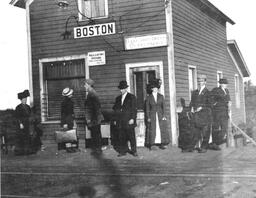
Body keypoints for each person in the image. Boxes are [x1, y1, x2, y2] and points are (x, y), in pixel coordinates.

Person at [113, 80, 138, 157]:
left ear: (126, 89)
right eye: (120, 89)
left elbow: (134, 109)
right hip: (120, 121)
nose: (121, 90)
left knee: (131, 136)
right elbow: (115, 110)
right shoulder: (118, 98)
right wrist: (115, 119)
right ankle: (123, 151)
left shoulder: (131, 97)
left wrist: (133, 119)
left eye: (123, 89)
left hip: (128, 120)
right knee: (121, 136)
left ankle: (134, 151)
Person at [189, 74, 212, 153]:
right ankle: (193, 146)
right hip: (196, 115)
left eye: (201, 81)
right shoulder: (195, 92)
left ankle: (204, 147)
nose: (200, 83)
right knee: (196, 132)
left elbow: (210, 104)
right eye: (199, 81)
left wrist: (201, 107)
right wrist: (191, 107)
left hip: (204, 115)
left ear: (205, 82)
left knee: (205, 132)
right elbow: (192, 102)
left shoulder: (208, 93)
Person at [145, 80, 170, 150]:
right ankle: (152, 144)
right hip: (152, 115)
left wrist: (164, 115)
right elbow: (147, 108)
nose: (155, 89)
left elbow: (164, 107)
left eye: (156, 88)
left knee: (161, 128)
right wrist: (148, 117)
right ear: (151, 89)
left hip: (160, 115)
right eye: (154, 88)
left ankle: (162, 143)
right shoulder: (149, 98)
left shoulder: (161, 96)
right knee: (153, 129)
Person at [84, 79, 104, 155]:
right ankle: (97, 149)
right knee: (96, 134)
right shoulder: (91, 93)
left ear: (89, 85)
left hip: (94, 118)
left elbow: (93, 108)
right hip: (95, 117)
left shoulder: (92, 94)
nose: (84, 86)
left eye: (85, 85)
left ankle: (98, 150)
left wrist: (89, 119)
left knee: (95, 134)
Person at [210, 78, 231, 150]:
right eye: (225, 84)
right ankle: (214, 144)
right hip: (217, 113)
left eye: (226, 84)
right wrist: (214, 105)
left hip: (225, 112)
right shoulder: (216, 90)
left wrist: (229, 104)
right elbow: (210, 99)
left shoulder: (227, 91)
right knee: (215, 128)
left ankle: (215, 143)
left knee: (224, 129)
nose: (226, 85)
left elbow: (228, 100)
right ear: (221, 84)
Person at [14, 89, 32, 155]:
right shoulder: (18, 107)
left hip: (27, 123)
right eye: (24, 99)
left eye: (26, 99)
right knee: (21, 137)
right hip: (21, 125)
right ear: (21, 100)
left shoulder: (28, 107)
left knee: (27, 137)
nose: (25, 100)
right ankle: (20, 152)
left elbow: (30, 115)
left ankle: (27, 151)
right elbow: (17, 117)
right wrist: (20, 123)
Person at [60, 87, 78, 153]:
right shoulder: (64, 103)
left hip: (70, 119)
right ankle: (68, 148)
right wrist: (64, 123)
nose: (72, 94)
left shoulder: (70, 101)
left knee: (71, 133)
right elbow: (63, 113)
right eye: (71, 93)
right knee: (68, 133)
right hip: (67, 119)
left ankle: (72, 147)